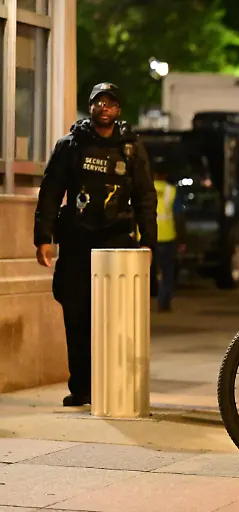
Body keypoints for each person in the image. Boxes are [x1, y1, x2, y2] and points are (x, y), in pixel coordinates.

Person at [33, 82, 157, 407]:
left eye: (111, 103)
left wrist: (149, 241)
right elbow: (50, 191)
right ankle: (81, 387)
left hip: (116, 243)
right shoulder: (70, 145)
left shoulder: (131, 148)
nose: (104, 108)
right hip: (75, 241)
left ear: (119, 110)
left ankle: (112, 383)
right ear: (90, 107)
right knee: (75, 313)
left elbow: (145, 196)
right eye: (98, 102)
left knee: (114, 316)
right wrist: (42, 238)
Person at [151, 168, 186, 312]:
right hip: (167, 237)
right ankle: (163, 303)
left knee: (145, 273)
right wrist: (182, 238)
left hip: (148, 238)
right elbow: (178, 217)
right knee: (167, 272)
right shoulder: (171, 191)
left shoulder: (145, 189)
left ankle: (140, 303)